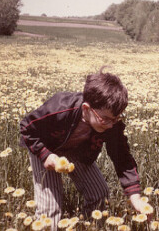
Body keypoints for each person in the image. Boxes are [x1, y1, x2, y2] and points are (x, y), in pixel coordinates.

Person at [20, 68, 149, 230]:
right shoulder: (60, 107)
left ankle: (88, 226)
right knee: (50, 209)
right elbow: (26, 127)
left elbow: (122, 157)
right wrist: (45, 155)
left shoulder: (112, 125)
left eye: (116, 119)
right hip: (46, 147)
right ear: (87, 109)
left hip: (78, 151)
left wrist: (135, 197)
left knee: (99, 194)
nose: (111, 125)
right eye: (106, 119)